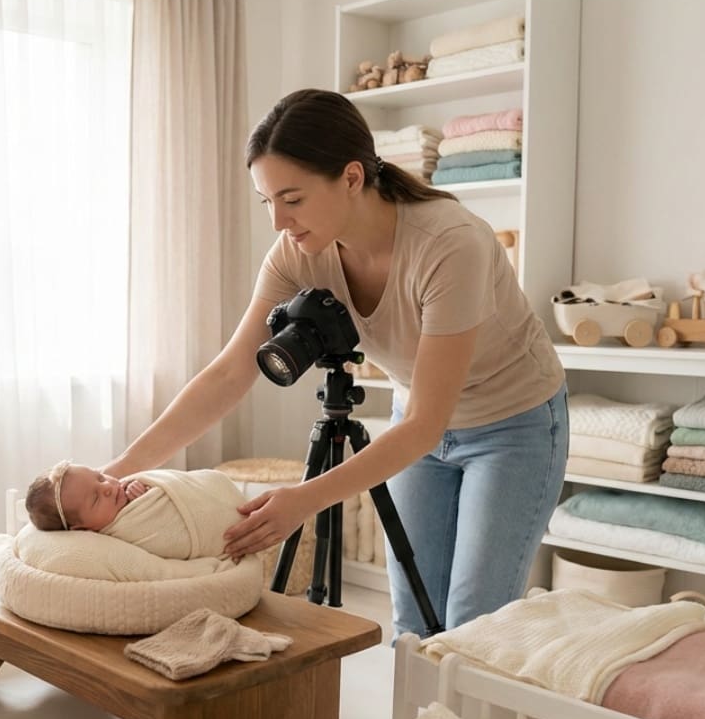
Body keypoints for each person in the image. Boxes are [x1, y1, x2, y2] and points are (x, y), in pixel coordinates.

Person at [102, 88, 568, 636]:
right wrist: (118, 471)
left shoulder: (449, 244)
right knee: (414, 622)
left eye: (292, 199)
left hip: (513, 427)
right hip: (419, 425)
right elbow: (231, 372)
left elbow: (425, 422)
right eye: (267, 201)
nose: (278, 221)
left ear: (351, 178)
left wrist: (302, 500)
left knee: (472, 626)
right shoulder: (299, 252)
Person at [24, 461, 254, 562]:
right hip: (203, 532)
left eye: (100, 476)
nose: (107, 488)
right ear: (82, 528)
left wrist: (142, 490)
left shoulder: (122, 493)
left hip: (206, 496)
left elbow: (165, 487)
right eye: (95, 498)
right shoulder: (110, 537)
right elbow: (156, 537)